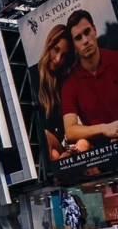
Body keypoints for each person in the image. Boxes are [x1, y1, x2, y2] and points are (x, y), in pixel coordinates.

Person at [61, 9, 118, 148]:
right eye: (78, 38)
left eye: (87, 32)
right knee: (81, 145)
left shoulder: (116, 59)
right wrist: (105, 128)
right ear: (73, 45)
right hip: (100, 152)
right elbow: (70, 131)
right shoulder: (70, 84)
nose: (85, 41)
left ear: (95, 30)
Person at [36, 24, 90, 160]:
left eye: (64, 55)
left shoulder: (66, 80)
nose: (58, 59)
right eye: (56, 50)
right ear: (49, 45)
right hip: (46, 141)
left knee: (58, 151)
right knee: (47, 141)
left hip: (67, 141)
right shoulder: (32, 76)